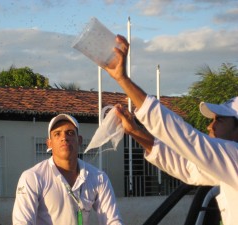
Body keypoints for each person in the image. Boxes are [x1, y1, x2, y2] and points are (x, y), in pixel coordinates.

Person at [102, 34, 238, 225]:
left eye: (219, 120)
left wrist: (123, 79)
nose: (210, 125)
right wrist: (135, 132)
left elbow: (186, 138)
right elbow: (185, 167)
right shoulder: (228, 166)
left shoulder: (234, 157)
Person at [12, 114, 123, 225]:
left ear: (79, 140)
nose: (64, 138)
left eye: (70, 133)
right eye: (57, 134)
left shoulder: (99, 178)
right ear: (49, 143)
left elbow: (112, 220)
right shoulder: (33, 177)